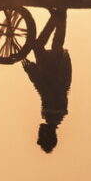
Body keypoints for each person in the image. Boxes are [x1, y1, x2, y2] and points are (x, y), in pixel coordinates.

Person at [21, 9, 71, 153]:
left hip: (59, 72)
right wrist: (31, 70)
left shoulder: (56, 116)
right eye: (41, 135)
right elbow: (45, 88)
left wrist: (32, 71)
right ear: (47, 134)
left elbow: (43, 88)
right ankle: (58, 17)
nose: (38, 132)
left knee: (55, 43)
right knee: (43, 46)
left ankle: (58, 17)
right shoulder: (52, 113)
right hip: (55, 71)